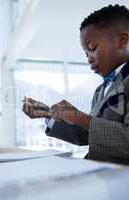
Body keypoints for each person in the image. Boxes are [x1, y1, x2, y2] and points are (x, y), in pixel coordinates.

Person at [23, 4, 129, 164]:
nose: (89, 58)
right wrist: (49, 114)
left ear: (122, 41)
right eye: (86, 53)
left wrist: (80, 118)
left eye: (92, 48)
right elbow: (92, 135)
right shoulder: (100, 90)